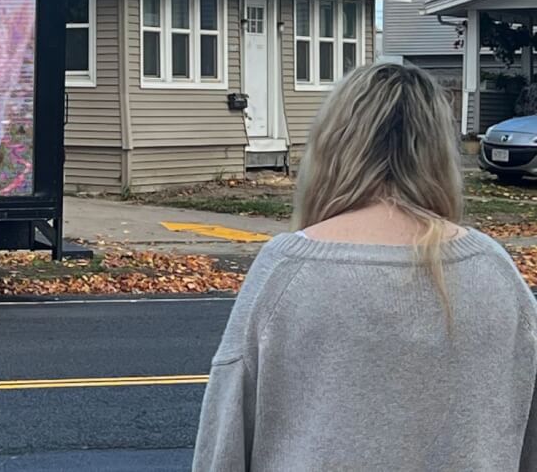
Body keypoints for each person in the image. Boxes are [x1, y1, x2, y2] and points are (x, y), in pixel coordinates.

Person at [192, 61, 537, 470]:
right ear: (439, 153)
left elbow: (224, 445)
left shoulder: (287, 272)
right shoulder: (492, 271)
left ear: (333, 146)